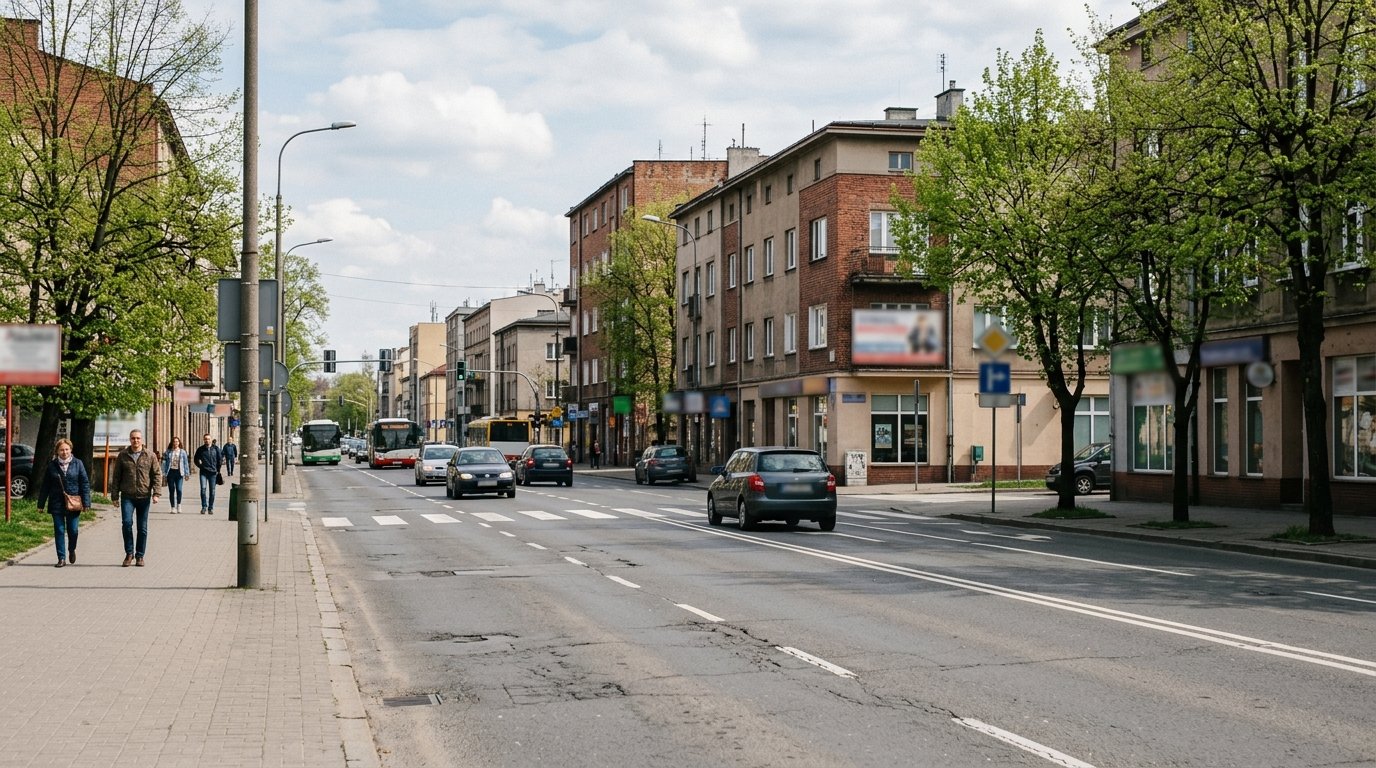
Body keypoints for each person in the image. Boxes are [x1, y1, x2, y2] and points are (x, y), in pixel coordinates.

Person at [36, 438, 90, 568]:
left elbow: (84, 483)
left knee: (73, 530)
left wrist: (86, 502)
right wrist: (41, 504)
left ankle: (71, 549)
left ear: (70, 450)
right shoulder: (52, 466)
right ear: (57, 451)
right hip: (56, 502)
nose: (64, 452)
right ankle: (61, 558)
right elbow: (45, 486)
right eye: (61, 450)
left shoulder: (78, 464)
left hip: (73, 502)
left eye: (66, 449)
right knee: (59, 530)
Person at [110, 430, 162, 567]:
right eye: (133, 438)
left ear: (142, 440)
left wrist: (156, 493)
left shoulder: (150, 455)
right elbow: (116, 477)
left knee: (142, 527)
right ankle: (129, 553)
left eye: (138, 438)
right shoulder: (123, 455)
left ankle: (140, 555)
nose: (136, 441)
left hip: (144, 496)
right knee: (127, 524)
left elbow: (157, 474)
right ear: (130, 440)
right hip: (127, 496)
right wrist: (114, 496)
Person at [193, 433, 222, 515]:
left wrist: (218, 470)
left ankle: (210, 508)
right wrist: (200, 466)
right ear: (204, 440)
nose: (207, 440)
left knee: (212, 491)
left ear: (211, 439)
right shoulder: (200, 449)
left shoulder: (216, 449)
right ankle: (204, 507)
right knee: (203, 489)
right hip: (203, 472)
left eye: (208, 439)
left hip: (213, 473)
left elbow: (219, 460)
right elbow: (195, 459)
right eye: (205, 439)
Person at [162, 436, 189, 513]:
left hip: (179, 473)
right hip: (170, 472)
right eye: (174, 441)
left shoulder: (183, 452)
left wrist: (187, 474)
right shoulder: (168, 452)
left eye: (177, 441)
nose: (176, 443)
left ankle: (179, 505)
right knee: (171, 490)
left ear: (179, 443)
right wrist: (163, 473)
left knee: (179, 489)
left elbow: (185, 463)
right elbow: (164, 463)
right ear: (172, 443)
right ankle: (173, 507)